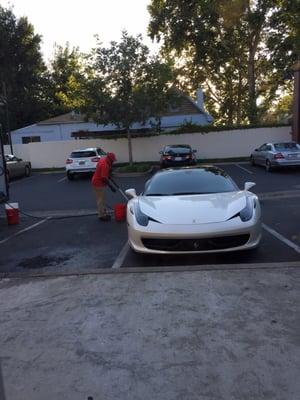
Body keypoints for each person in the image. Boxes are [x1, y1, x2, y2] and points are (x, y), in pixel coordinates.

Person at [91, 152, 117, 221]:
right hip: (98, 183)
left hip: (95, 181)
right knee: (100, 200)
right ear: (109, 159)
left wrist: (108, 174)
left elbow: (100, 171)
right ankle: (101, 216)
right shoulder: (105, 165)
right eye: (112, 160)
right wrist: (111, 187)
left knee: (100, 199)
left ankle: (103, 212)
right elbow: (103, 178)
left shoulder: (102, 160)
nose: (113, 162)